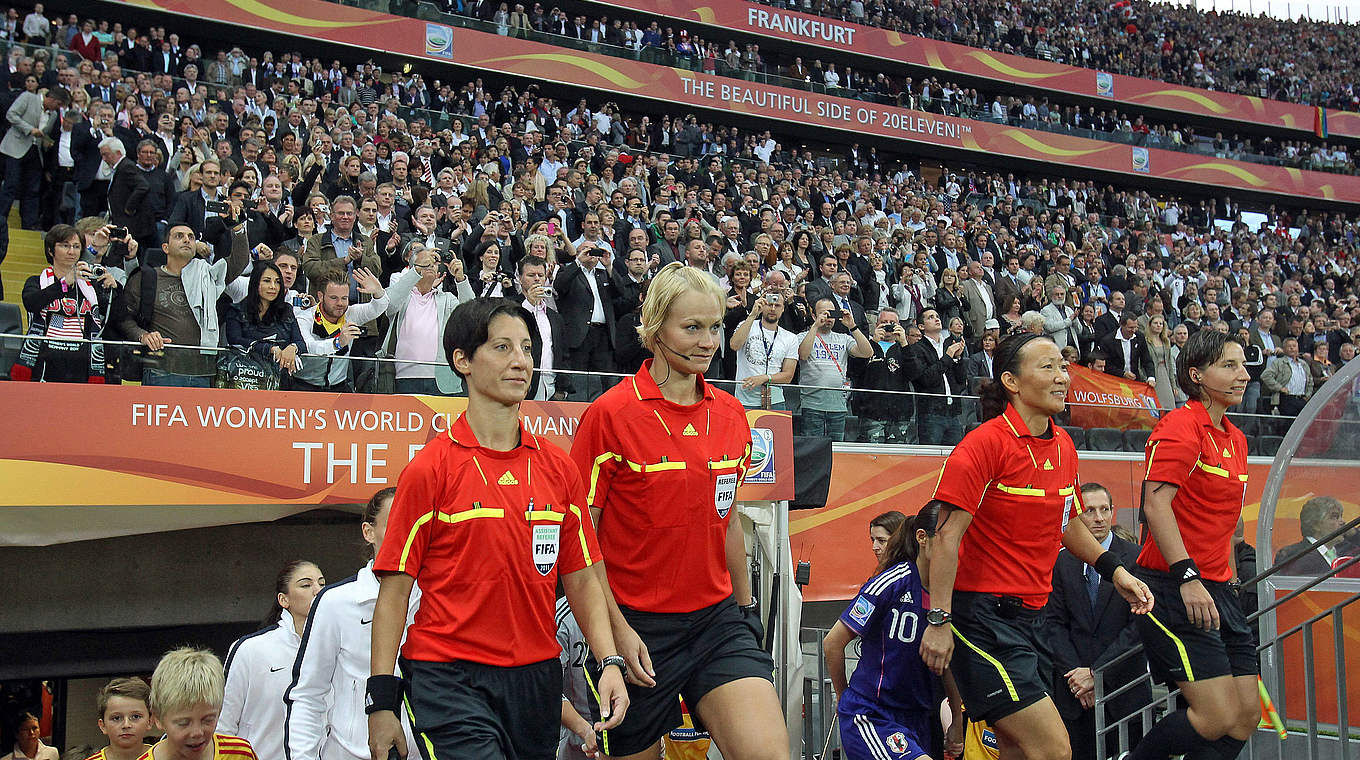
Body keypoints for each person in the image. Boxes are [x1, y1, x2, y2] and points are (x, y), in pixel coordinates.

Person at [367, 298, 628, 760]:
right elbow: (394, 591)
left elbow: (583, 577)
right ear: (462, 361)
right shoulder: (430, 469)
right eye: (503, 347)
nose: (520, 361)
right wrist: (381, 701)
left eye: (527, 349)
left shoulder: (558, 467)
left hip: (536, 679)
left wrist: (607, 660)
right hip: (448, 676)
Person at [571, 262, 787, 760]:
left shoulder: (733, 415)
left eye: (715, 327)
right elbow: (582, 542)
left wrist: (745, 609)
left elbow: (729, 521)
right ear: (654, 328)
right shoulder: (610, 415)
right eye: (692, 327)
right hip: (635, 629)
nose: (708, 341)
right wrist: (616, 633)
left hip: (717, 624)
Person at [919, 333, 1153, 760]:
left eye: (1063, 366)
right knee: (1052, 749)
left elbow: (1069, 526)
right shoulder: (984, 444)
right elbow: (945, 537)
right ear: (1011, 380)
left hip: (1033, 621)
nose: (1062, 376)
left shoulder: (1064, 446)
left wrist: (1116, 570)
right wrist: (938, 620)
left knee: (1019, 751)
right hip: (982, 621)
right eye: (1048, 367)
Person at [1128, 329, 1257, 760]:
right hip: (1172, 585)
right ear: (1196, 374)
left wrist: (1230, 582)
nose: (1243, 375)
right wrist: (1188, 576)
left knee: (1244, 717)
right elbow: (1155, 503)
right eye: (1230, 365)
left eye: (1243, 365)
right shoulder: (1181, 426)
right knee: (1216, 716)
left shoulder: (1236, 439)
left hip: (1219, 589)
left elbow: (1225, 525)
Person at [285, 489, 418, 760]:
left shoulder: (435, 598)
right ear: (368, 532)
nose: (405, 532)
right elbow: (309, 695)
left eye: (411, 522)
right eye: (395, 522)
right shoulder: (335, 602)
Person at [824, 504, 959, 760]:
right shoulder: (891, 583)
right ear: (922, 538)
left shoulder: (952, 595)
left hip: (918, 717)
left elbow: (949, 664)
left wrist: (957, 723)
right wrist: (844, 699)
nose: (955, 549)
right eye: (948, 540)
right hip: (872, 713)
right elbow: (832, 643)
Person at [1044, 483, 1151, 760]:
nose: (1099, 517)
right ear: (1077, 517)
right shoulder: (1060, 562)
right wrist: (1077, 677)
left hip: (1124, 695)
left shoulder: (1137, 558)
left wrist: (1096, 674)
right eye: (1090, 511)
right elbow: (1054, 625)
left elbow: (1138, 628)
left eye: (1105, 510)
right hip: (1075, 695)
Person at [116, 213, 250, 387]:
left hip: (203, 372)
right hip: (161, 371)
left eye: (191, 237)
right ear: (165, 247)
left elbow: (239, 261)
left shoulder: (208, 276)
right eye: (179, 236)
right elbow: (124, 318)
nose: (187, 240)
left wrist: (238, 226)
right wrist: (143, 335)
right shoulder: (146, 277)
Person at [220, 561, 326, 760]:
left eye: (322, 583)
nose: (318, 591)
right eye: (306, 585)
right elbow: (223, 726)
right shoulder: (250, 649)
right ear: (283, 600)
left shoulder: (336, 649)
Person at [12, 224, 115, 382]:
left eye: (76, 246)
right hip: (44, 363)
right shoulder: (36, 282)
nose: (71, 251)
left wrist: (114, 289)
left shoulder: (90, 287)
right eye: (65, 245)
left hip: (81, 366)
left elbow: (117, 316)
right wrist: (64, 284)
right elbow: (31, 303)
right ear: (50, 250)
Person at [379, 243, 475, 395]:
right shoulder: (402, 296)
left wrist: (460, 278)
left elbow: (470, 315)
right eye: (425, 263)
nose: (430, 266)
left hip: (443, 381)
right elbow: (389, 304)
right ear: (413, 268)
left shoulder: (447, 299)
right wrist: (417, 268)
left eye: (434, 263)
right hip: (404, 378)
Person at [137, 648, 259, 760]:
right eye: (184, 723)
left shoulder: (240, 755)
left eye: (208, 720)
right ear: (157, 718)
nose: (197, 732)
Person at [289, 267, 391, 392]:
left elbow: (377, 308)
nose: (340, 303)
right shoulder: (305, 318)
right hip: (304, 386)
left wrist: (378, 291)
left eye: (344, 298)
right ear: (321, 296)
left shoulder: (350, 313)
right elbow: (309, 347)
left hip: (339, 386)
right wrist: (337, 343)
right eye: (334, 298)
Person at [798, 296, 874, 440]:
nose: (829, 317)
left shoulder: (843, 338)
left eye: (832, 313)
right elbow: (803, 355)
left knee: (837, 451)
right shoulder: (803, 336)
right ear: (814, 315)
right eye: (824, 313)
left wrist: (853, 326)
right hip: (812, 405)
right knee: (812, 449)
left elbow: (867, 352)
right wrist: (815, 326)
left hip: (838, 406)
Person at [224, 261, 308, 381]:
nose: (273, 286)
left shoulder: (286, 310)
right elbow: (235, 339)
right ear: (255, 282)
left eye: (277, 282)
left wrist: (292, 348)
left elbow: (301, 343)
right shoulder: (237, 310)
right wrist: (269, 349)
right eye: (267, 281)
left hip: (279, 380)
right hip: (245, 377)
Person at [908, 308, 970, 446]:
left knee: (954, 459)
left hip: (953, 413)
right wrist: (948, 357)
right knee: (931, 461)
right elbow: (925, 379)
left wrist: (958, 358)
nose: (936, 319)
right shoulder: (917, 349)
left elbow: (961, 380)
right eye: (930, 317)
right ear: (921, 326)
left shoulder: (949, 345)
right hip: (930, 413)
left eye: (937, 315)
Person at [730, 292, 799, 410]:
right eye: (768, 304)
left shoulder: (790, 337)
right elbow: (734, 345)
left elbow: (788, 376)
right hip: (745, 400)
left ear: (783, 309)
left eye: (777, 306)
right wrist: (752, 315)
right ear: (762, 305)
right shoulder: (746, 325)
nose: (772, 309)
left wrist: (764, 378)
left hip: (775, 401)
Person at [1272, 496, 1348, 574]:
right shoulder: (1292, 555)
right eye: (1334, 517)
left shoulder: (1346, 552)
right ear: (1315, 524)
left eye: (1341, 516)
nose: (1343, 521)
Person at [86, 679, 153, 760]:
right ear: (102, 725)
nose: (126, 725)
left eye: (136, 717)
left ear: (150, 721)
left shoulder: (163, 756)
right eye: (116, 718)